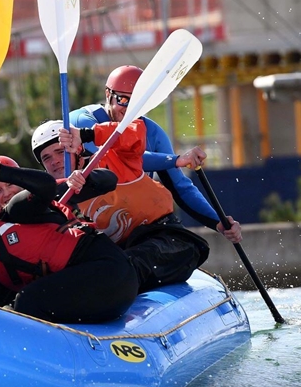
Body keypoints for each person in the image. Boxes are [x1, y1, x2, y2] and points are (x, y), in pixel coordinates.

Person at [0, 160, 139, 324]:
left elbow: (47, 186)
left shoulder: (17, 211)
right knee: (16, 307)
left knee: (26, 301)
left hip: (110, 271)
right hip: (93, 296)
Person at [69, 65, 242, 244]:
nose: (130, 110)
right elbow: (119, 157)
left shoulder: (153, 132)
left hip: (133, 227)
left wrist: (218, 222)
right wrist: (177, 160)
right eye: (123, 100)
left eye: (138, 103)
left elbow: (181, 187)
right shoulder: (82, 120)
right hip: (89, 227)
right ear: (108, 94)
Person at [59, 117, 211, 293]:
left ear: (76, 148)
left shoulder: (113, 157)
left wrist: (87, 134)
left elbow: (135, 133)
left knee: (121, 267)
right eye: (46, 158)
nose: (55, 161)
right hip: (122, 257)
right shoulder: (53, 199)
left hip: (168, 242)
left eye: (59, 152)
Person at [30, 119, 119, 198]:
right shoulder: (45, 196)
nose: (55, 161)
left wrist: (83, 177)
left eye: (61, 152)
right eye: (46, 158)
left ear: (78, 149)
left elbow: (109, 179)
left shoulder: (105, 160)